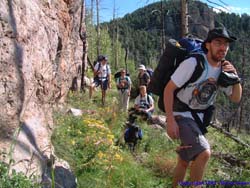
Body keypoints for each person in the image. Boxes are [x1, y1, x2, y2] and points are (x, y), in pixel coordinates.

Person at [164, 27, 242, 188]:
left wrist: (236, 78)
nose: (223, 47)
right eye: (218, 43)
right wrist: (170, 120)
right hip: (181, 113)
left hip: (198, 120)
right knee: (204, 153)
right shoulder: (193, 63)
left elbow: (235, 98)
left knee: (184, 162)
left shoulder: (224, 70)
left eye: (226, 44)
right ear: (207, 45)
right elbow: (169, 89)